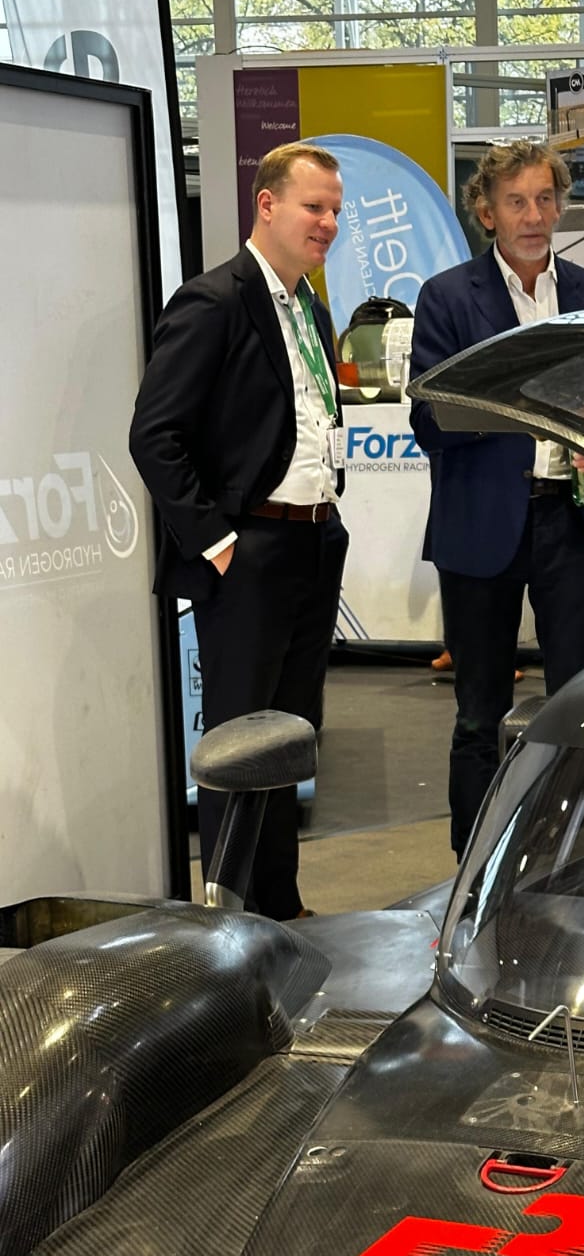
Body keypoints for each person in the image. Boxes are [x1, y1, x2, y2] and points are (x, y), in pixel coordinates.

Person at [129, 142, 349, 920]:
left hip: (314, 544)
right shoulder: (214, 300)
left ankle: (280, 912)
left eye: (333, 208)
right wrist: (220, 543)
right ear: (266, 205)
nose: (327, 221)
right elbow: (155, 437)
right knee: (237, 747)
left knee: (289, 740)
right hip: (250, 552)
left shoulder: (309, 303)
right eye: (311, 206)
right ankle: (228, 928)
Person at [409, 140, 584, 859]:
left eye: (544, 199)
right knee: (478, 716)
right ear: (485, 211)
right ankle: (469, 869)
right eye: (516, 202)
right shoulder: (445, 298)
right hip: (482, 527)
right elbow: (429, 419)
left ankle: (573, 855)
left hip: (575, 519)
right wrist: (525, 407)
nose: (534, 216)